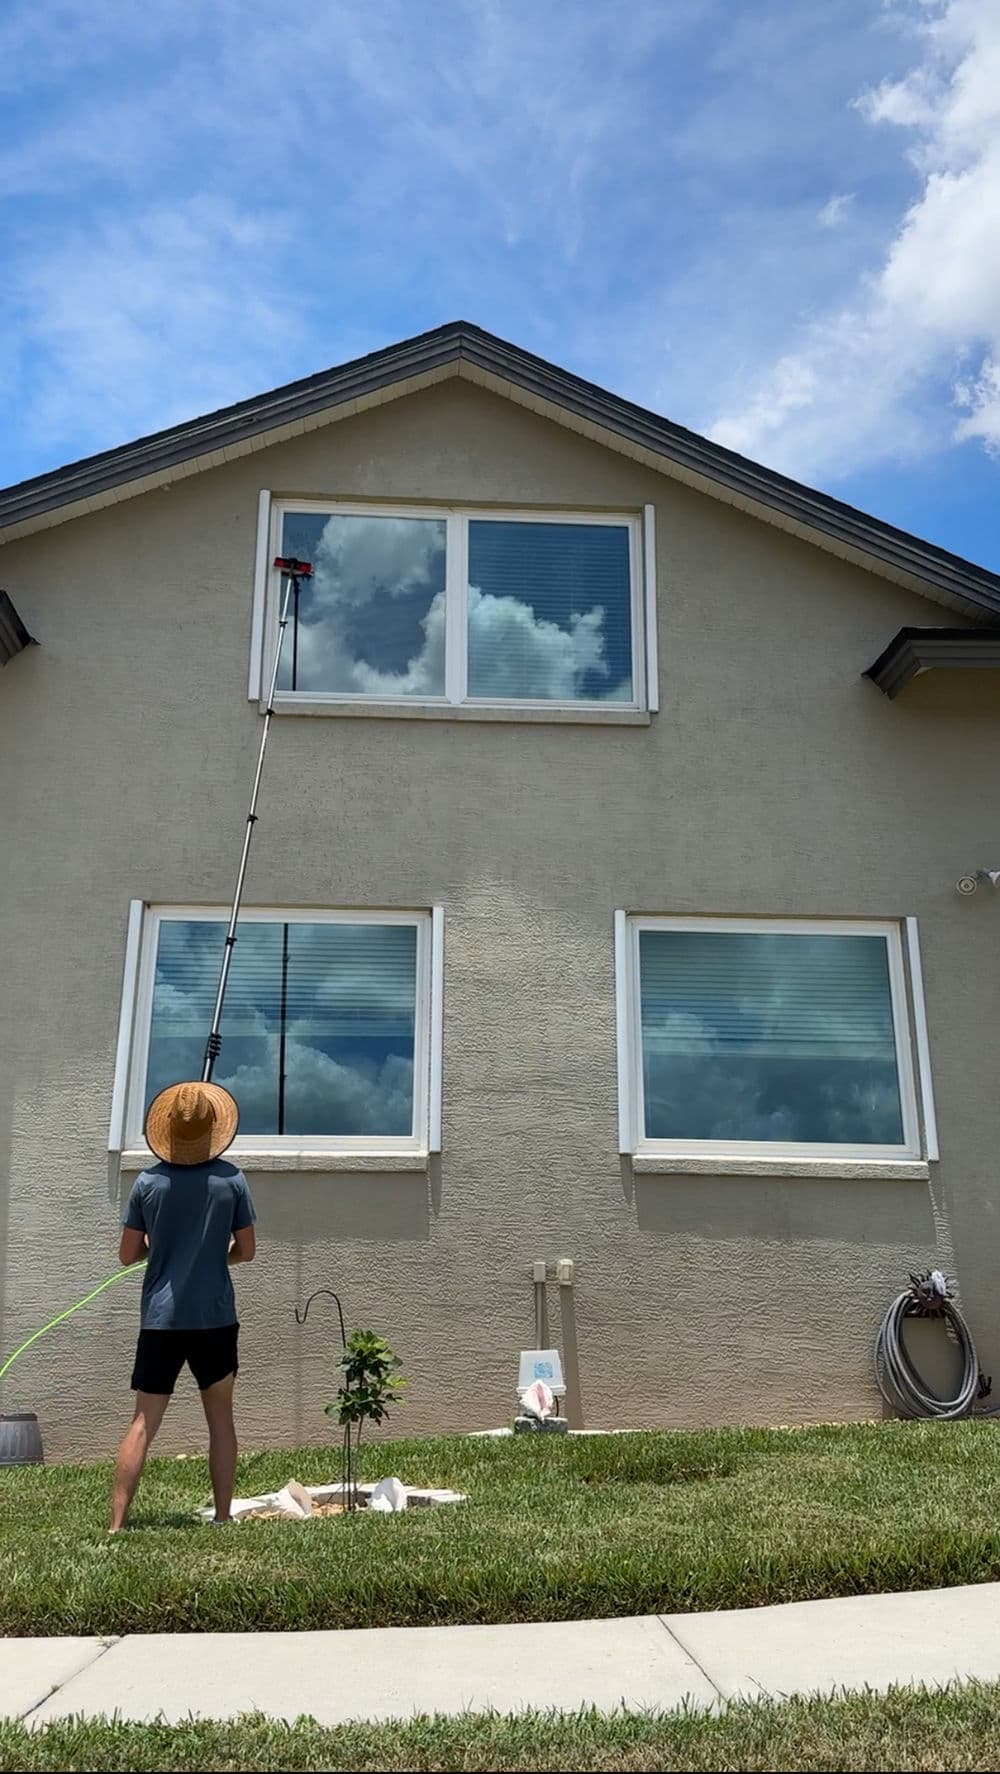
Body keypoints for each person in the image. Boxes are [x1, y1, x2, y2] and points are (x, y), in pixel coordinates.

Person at [109, 1081, 256, 1533]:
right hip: (214, 1317)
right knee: (220, 1419)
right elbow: (246, 1251)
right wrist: (215, 1254)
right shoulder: (231, 1180)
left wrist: (161, 1249)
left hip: (160, 1320)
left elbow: (127, 1255)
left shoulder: (148, 1183)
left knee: (142, 1423)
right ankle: (223, 1516)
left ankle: (116, 1526)